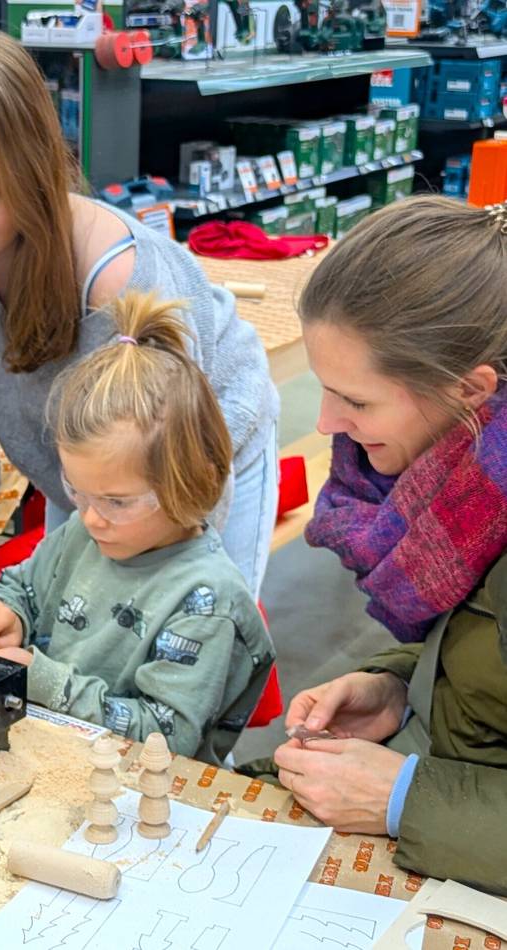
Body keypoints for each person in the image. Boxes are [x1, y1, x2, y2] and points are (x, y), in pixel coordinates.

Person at [0, 28, 279, 653]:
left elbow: (179, 467)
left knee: (181, 654)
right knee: (71, 655)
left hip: (195, 459)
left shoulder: (115, 276)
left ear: (34, 173)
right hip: (86, 477)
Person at [271, 196, 507, 894]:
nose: (324, 421)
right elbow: (480, 649)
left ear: (470, 390)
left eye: (359, 402)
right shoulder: (468, 493)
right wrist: (401, 686)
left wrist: (404, 796)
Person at [0, 292, 274, 761]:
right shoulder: (86, 532)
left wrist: (38, 679)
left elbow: (166, 739)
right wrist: (5, 613)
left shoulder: (207, 601)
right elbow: (24, 588)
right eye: (77, 490)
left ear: (187, 483)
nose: (92, 516)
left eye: (117, 501)